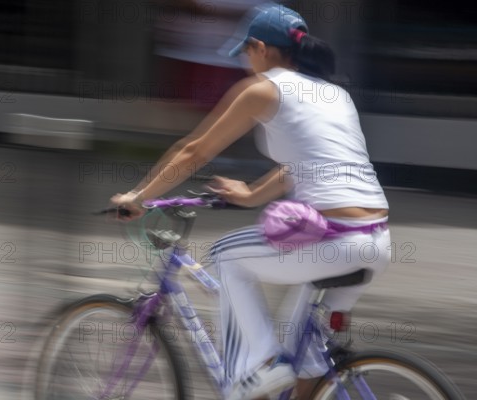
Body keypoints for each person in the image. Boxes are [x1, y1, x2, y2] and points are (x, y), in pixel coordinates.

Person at [111, 4, 391, 399]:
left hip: (335, 240)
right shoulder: (335, 94)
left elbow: (193, 152)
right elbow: (305, 162)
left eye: (245, 52)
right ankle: (284, 372)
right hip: (376, 241)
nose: (244, 62)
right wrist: (251, 195)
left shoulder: (262, 89)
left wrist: (139, 197)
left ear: (260, 47)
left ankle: (260, 365)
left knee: (227, 254)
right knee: (305, 351)